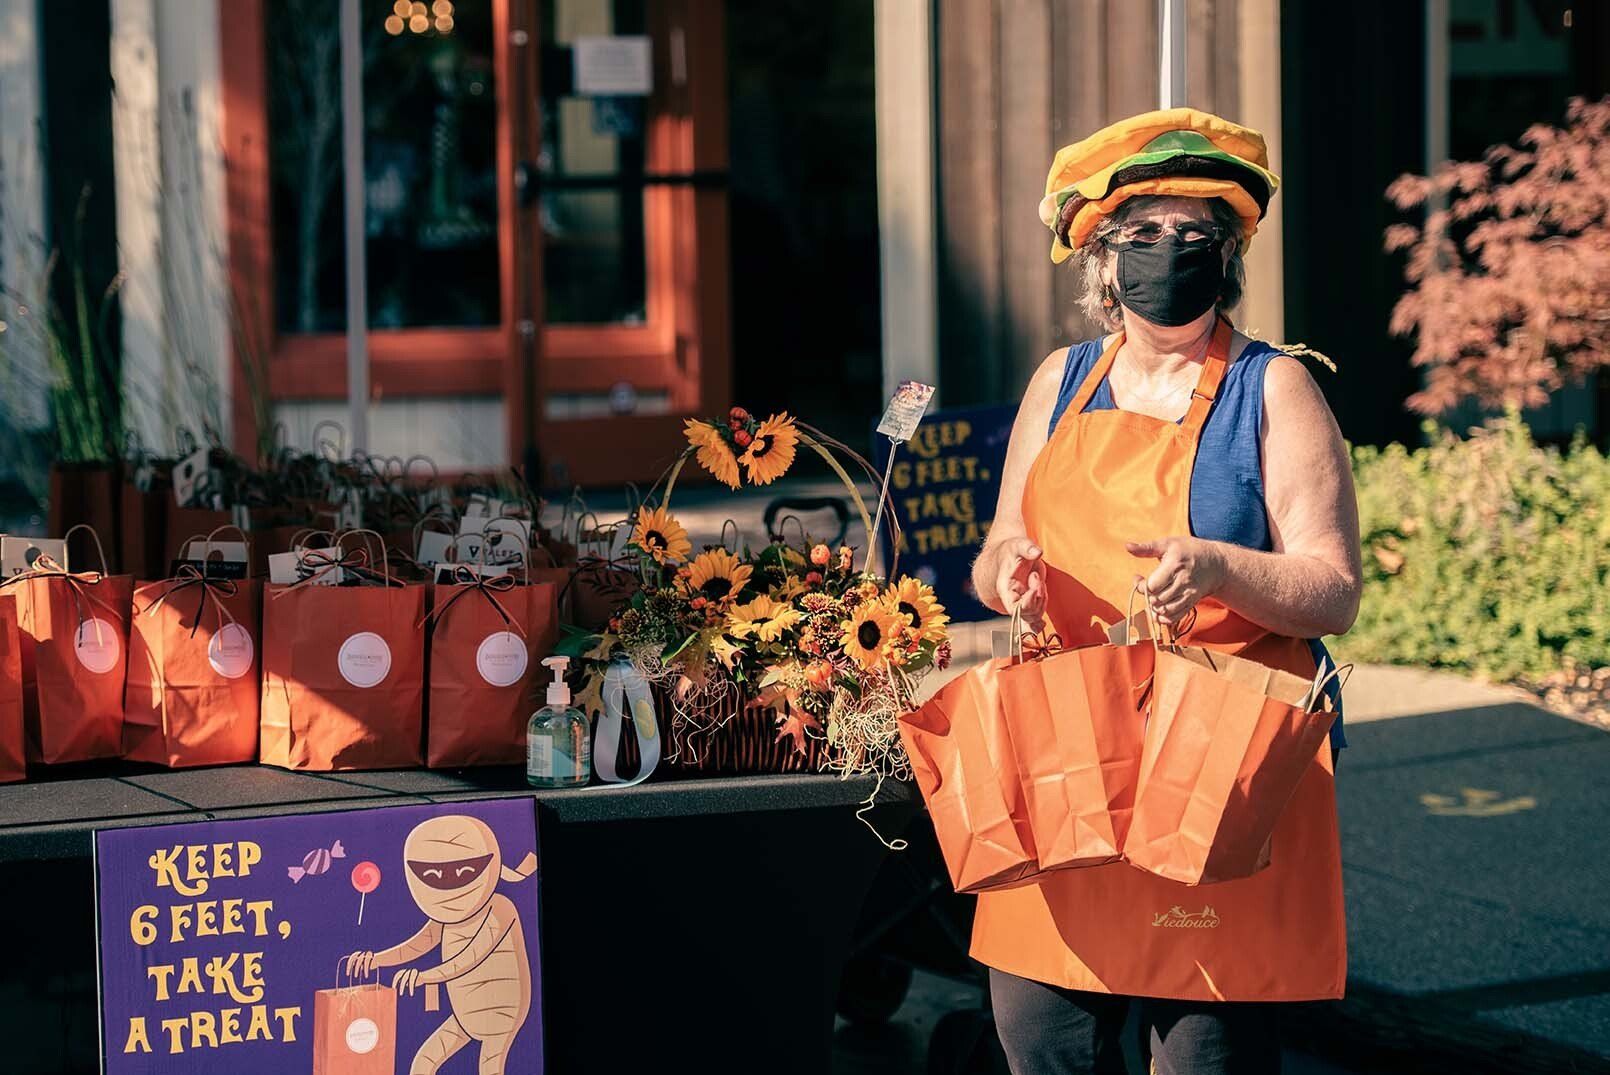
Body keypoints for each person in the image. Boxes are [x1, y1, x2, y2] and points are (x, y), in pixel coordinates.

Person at [969, 108, 1363, 1075]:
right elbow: (997, 550)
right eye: (1144, 232)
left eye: (1195, 234)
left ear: (1225, 257)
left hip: (1214, 767)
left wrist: (1222, 566)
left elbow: (1332, 588)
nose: (1170, 251)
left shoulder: (1276, 390)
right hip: (1070, 755)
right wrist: (1008, 577)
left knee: (1202, 1051)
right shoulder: (1059, 381)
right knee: (1043, 1038)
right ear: (1103, 255)